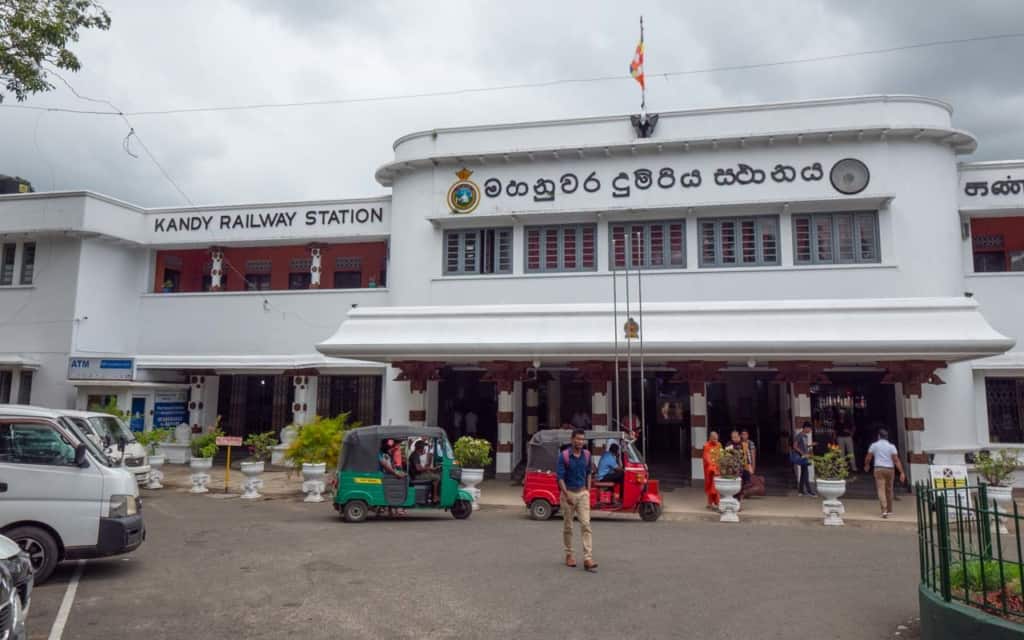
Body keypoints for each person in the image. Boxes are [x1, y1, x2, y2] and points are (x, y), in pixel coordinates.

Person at [556, 428, 597, 571]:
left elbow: (589, 473)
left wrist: (588, 490)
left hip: (583, 494)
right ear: (572, 439)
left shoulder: (587, 455)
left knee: (586, 525)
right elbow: (560, 477)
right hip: (568, 494)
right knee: (568, 526)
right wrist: (566, 495)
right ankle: (569, 555)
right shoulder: (564, 456)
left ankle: (588, 558)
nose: (580, 442)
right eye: (578, 439)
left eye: (582, 439)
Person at [864, 428, 906, 518]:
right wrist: (901, 472)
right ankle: (889, 510)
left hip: (878, 469)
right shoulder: (891, 446)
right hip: (890, 469)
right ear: (887, 437)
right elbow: (896, 460)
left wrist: (867, 465)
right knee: (889, 489)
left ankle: (884, 510)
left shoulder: (874, 445)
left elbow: (868, 457)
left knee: (881, 489)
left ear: (878, 436)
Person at [410, 440, 441, 504]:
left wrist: (430, 469)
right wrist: (430, 468)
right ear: (420, 448)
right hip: (416, 476)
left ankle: (432, 496)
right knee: (437, 478)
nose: (424, 448)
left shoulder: (416, 454)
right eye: (423, 447)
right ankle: (435, 497)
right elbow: (418, 469)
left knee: (433, 474)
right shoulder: (415, 455)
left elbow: (421, 467)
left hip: (417, 474)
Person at [792, 422, 816, 496]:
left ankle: (801, 491)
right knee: (806, 474)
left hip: (805, 457)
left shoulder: (805, 436)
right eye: (809, 429)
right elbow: (795, 446)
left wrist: (810, 445)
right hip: (802, 457)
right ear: (805, 428)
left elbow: (804, 446)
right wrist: (802, 453)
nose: (810, 430)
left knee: (803, 473)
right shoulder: (799, 435)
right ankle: (809, 491)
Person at [702, 431, 722, 510]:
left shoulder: (719, 444)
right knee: (711, 485)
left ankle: (713, 503)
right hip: (710, 469)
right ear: (710, 438)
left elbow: (721, 455)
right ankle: (712, 503)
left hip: (717, 468)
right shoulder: (706, 446)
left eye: (716, 439)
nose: (716, 440)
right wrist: (713, 468)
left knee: (715, 486)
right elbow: (707, 458)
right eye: (714, 439)